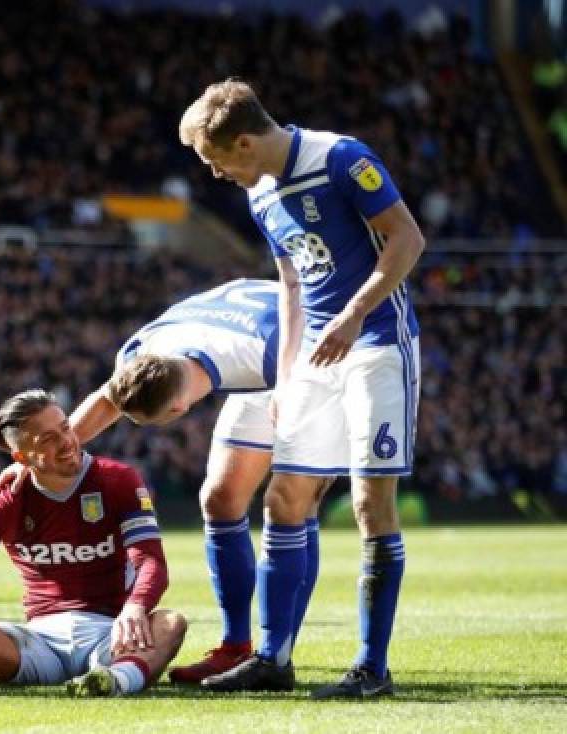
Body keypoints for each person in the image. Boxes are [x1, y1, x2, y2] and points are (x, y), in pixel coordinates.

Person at [178, 78, 423, 698]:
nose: (215, 175)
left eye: (215, 161)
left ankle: (372, 669)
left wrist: (354, 314)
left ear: (242, 142)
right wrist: (287, 378)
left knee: (369, 505)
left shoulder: (342, 159)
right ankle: (272, 659)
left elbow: (408, 239)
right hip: (315, 354)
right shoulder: (261, 195)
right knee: (284, 500)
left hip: (376, 345)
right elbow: (291, 287)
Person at [66, 278, 330, 684]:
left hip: (315, 355)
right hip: (254, 350)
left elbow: (319, 354)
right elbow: (107, 399)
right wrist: (54, 455)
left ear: (177, 407)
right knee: (220, 499)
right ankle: (235, 648)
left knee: (292, 502)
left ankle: (274, 655)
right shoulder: (139, 353)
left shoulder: (263, 352)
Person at [0, 389, 187, 697]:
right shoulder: (8, 499)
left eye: (65, 428)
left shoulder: (118, 480)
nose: (67, 442)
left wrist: (135, 608)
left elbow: (151, 562)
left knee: (170, 622)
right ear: (21, 457)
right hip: (40, 641)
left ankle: (113, 681)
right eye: (48, 439)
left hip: (113, 632)